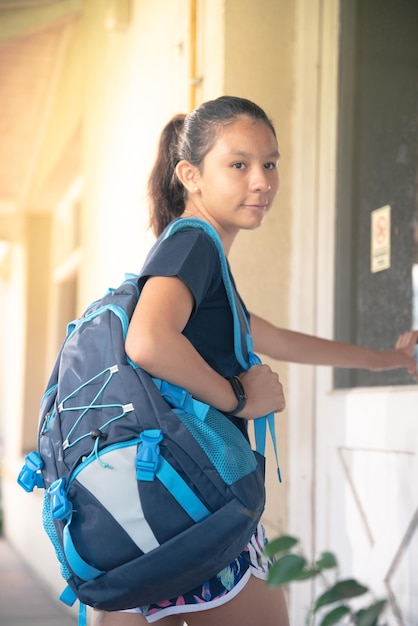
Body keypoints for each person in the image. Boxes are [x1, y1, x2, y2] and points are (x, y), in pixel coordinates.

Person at [92, 96, 418, 626]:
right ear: (191, 175)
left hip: (160, 508)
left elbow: (282, 340)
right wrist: (239, 397)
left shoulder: (202, 258)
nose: (261, 180)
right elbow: (148, 340)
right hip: (198, 506)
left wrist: (390, 359)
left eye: (270, 163)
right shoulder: (193, 245)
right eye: (238, 165)